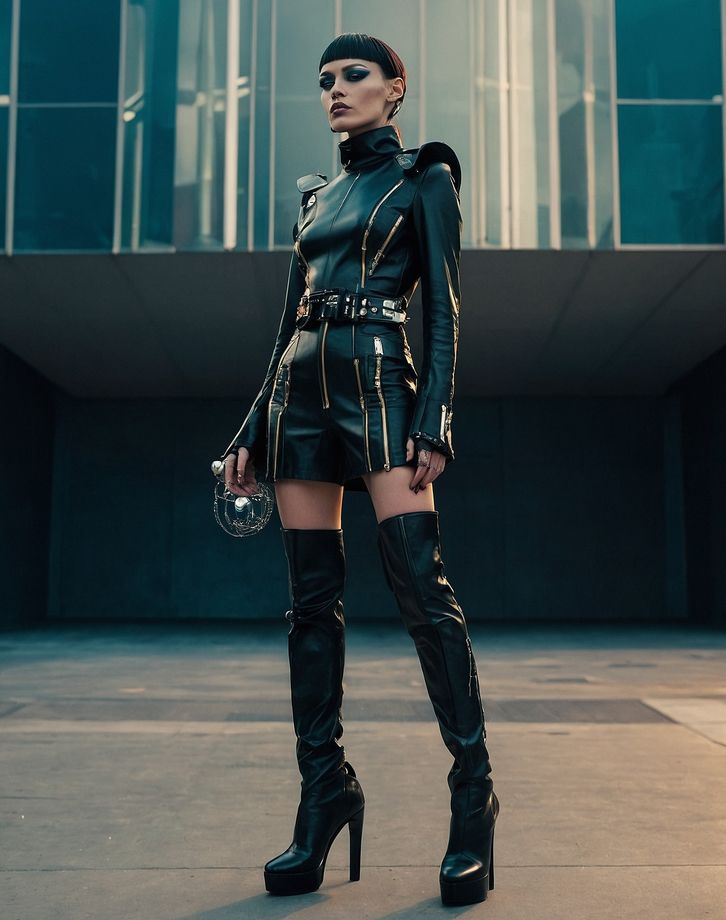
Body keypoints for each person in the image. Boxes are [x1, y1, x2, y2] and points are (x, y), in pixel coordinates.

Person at [219, 32, 499, 907]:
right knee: (310, 603)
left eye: (353, 76)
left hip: (381, 387)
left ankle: (473, 795)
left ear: (395, 88)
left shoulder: (426, 178)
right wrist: (252, 427)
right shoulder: (315, 196)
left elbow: (445, 312)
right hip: (300, 393)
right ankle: (324, 793)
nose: (335, 90)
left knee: (421, 586)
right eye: (324, 81)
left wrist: (437, 416)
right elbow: (284, 324)